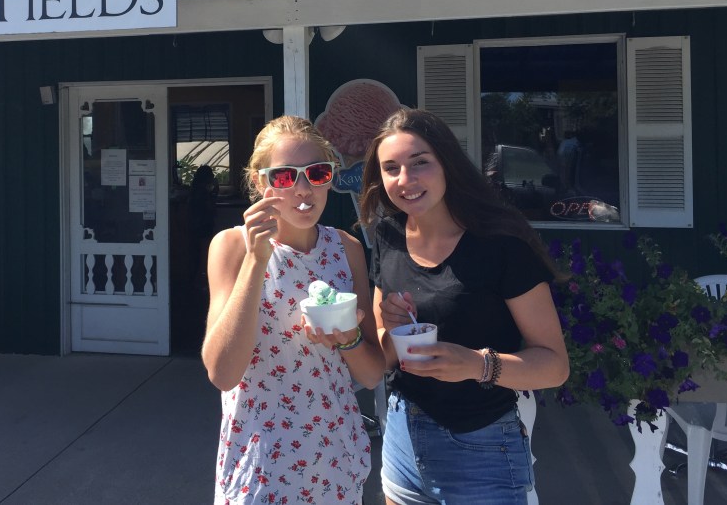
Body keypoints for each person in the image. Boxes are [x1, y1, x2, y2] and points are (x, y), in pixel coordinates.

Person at [358, 108, 569, 505]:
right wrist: (389, 325)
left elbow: (555, 366)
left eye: (420, 163)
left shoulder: (501, 243)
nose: (405, 180)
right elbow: (386, 356)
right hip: (403, 435)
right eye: (391, 168)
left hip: (481, 447)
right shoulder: (387, 235)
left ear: (447, 164)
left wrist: (476, 364)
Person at [202, 115, 386, 504]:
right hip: (262, 469)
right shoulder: (231, 247)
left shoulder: (346, 248)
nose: (303, 189)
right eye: (285, 176)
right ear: (259, 182)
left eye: (317, 173)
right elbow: (222, 372)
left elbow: (371, 374)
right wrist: (257, 260)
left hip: (336, 461)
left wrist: (347, 339)